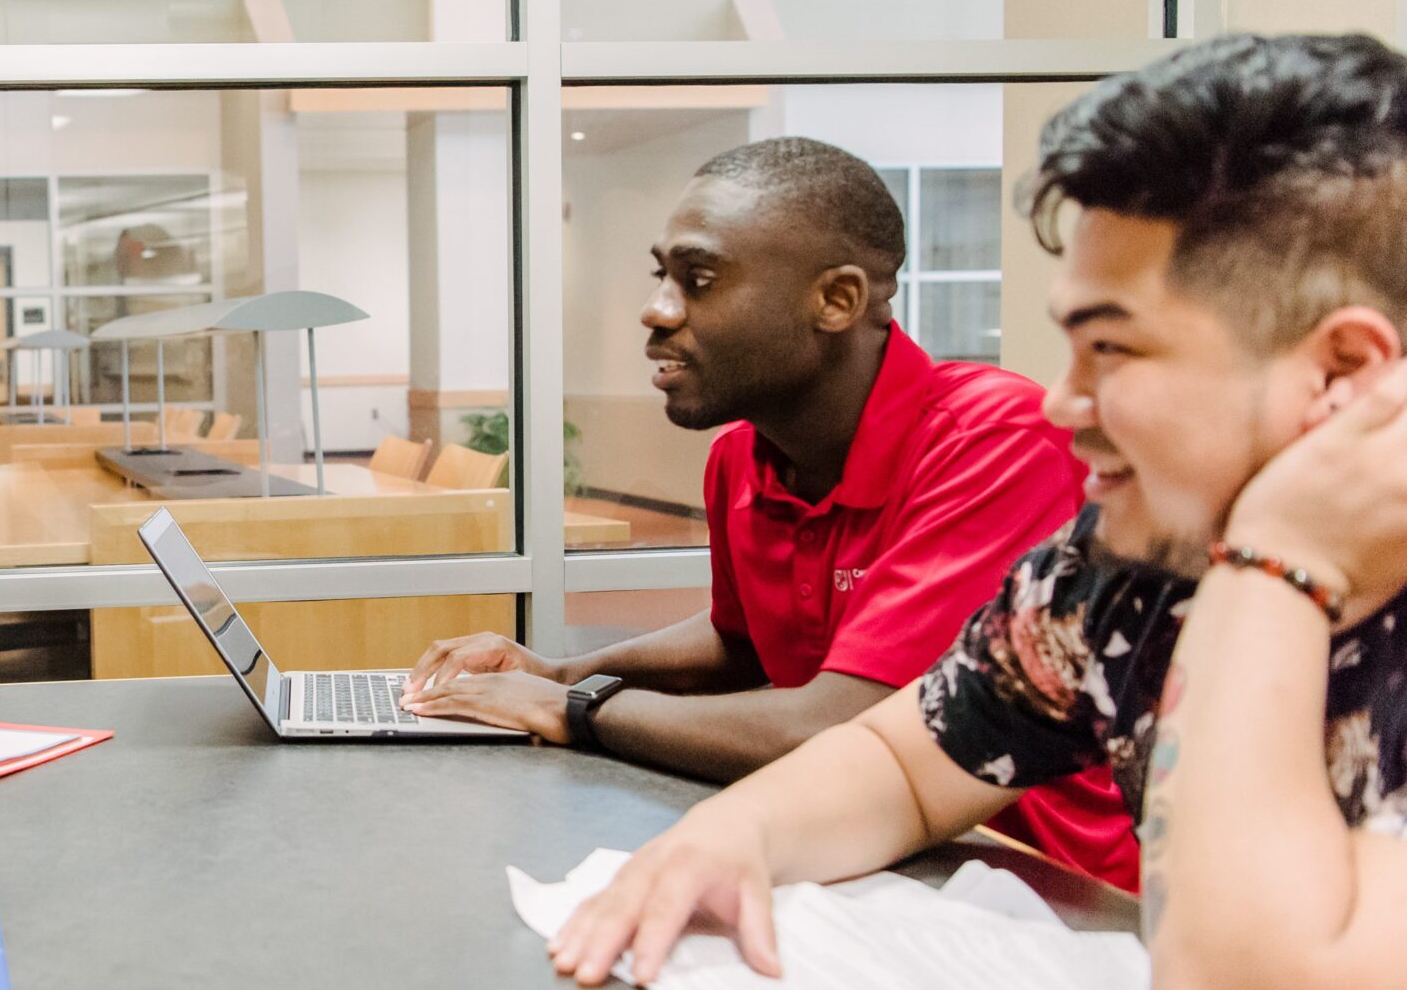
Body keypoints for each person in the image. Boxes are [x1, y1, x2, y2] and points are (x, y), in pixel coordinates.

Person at [548, 33, 1407, 990]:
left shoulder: (1240, 562)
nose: (1061, 402)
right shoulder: (1109, 581)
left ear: (1342, 373)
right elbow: (904, 766)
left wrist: (1280, 563)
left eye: (1115, 352)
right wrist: (733, 838)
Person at [403, 137, 1135, 888]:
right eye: (663, 275)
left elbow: (838, 720)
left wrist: (576, 707)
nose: (655, 310)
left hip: (1049, 888)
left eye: (700, 278)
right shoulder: (740, 458)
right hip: (872, 865)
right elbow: (741, 641)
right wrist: (556, 669)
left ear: (838, 299)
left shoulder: (994, 439)